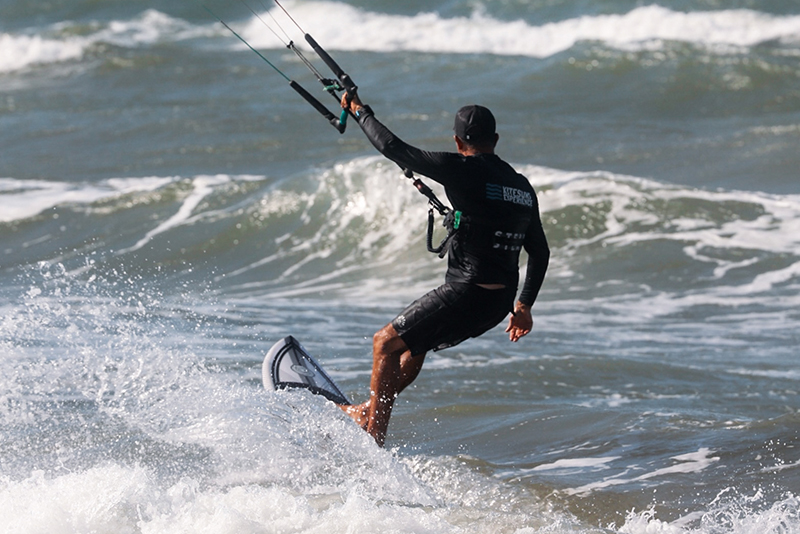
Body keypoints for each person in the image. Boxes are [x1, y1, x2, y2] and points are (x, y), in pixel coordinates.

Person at [339, 93, 550, 446]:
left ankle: (373, 436)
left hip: (467, 292)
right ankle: (368, 410)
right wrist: (524, 306)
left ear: (457, 141)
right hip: (498, 306)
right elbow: (539, 251)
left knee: (384, 343)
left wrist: (359, 111)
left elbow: (393, 147)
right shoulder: (521, 186)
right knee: (414, 347)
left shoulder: (461, 168)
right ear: (495, 141)